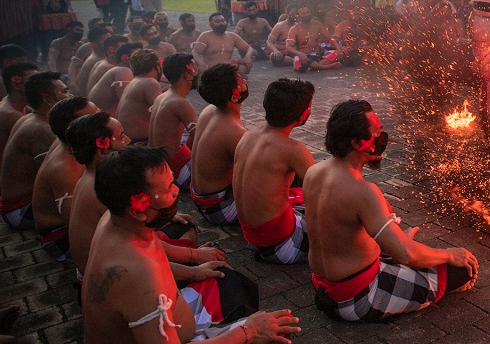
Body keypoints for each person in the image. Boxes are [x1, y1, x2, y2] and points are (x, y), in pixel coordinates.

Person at [81, 145, 299, 343]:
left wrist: (194, 271)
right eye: (168, 189)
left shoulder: (115, 220)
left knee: (228, 279)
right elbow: (147, 278)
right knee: (274, 336)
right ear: (138, 210)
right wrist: (247, 332)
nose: (176, 190)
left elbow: (155, 256)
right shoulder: (137, 274)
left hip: (176, 319)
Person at [306, 100, 478, 322]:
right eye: (376, 133)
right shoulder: (363, 191)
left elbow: (345, 231)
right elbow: (406, 254)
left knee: (408, 250)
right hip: (358, 297)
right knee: (461, 271)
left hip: (326, 286)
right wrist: (450, 254)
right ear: (358, 143)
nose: (382, 137)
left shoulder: (313, 171)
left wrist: (395, 244)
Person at [235, 79, 315, 264]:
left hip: (254, 238)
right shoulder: (293, 150)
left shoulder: (249, 135)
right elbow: (324, 192)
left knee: (298, 190)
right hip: (282, 245)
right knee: (347, 219)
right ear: (303, 114)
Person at [32, 96, 97, 262]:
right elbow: (77, 223)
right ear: (75, 128)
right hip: (59, 239)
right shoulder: (66, 167)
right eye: (95, 118)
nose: (105, 120)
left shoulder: (70, 143)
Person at [0, 72, 67, 229]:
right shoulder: (42, 130)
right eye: (64, 92)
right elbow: (56, 181)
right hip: (19, 210)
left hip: (18, 204)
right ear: (47, 99)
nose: (69, 95)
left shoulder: (32, 117)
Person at [191, 64, 247, 226]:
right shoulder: (233, 130)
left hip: (203, 201)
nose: (245, 82)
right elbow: (255, 174)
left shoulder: (209, 110)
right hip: (220, 209)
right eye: (241, 83)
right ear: (234, 96)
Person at [148, 53, 198, 187]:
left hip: (158, 161)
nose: (197, 73)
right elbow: (200, 139)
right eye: (195, 69)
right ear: (187, 74)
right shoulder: (180, 102)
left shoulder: (162, 96)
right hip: (172, 169)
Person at [116, 49, 163, 143]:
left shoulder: (134, 81)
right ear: (157, 65)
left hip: (127, 141)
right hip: (138, 144)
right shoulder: (150, 82)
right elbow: (163, 113)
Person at [88, 42, 142, 116]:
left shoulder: (121, 70)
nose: (142, 60)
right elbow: (128, 103)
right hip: (98, 121)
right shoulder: (123, 71)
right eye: (138, 56)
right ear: (124, 57)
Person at [286, 6, 341, 73]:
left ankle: (313, 67)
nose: (306, 15)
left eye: (307, 12)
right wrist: (300, 54)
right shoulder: (294, 29)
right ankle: (326, 66)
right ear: (298, 16)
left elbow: (330, 38)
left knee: (338, 53)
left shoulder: (317, 24)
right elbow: (288, 47)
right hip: (304, 56)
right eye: (303, 14)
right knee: (298, 62)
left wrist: (338, 48)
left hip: (319, 54)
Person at [0, 62, 38, 157]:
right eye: (34, 81)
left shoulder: (17, 105)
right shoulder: (10, 114)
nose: (39, 86)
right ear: (16, 85)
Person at [73, 26, 113, 96]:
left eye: (111, 40)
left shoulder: (97, 57)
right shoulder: (97, 61)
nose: (111, 43)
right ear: (94, 44)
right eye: (107, 41)